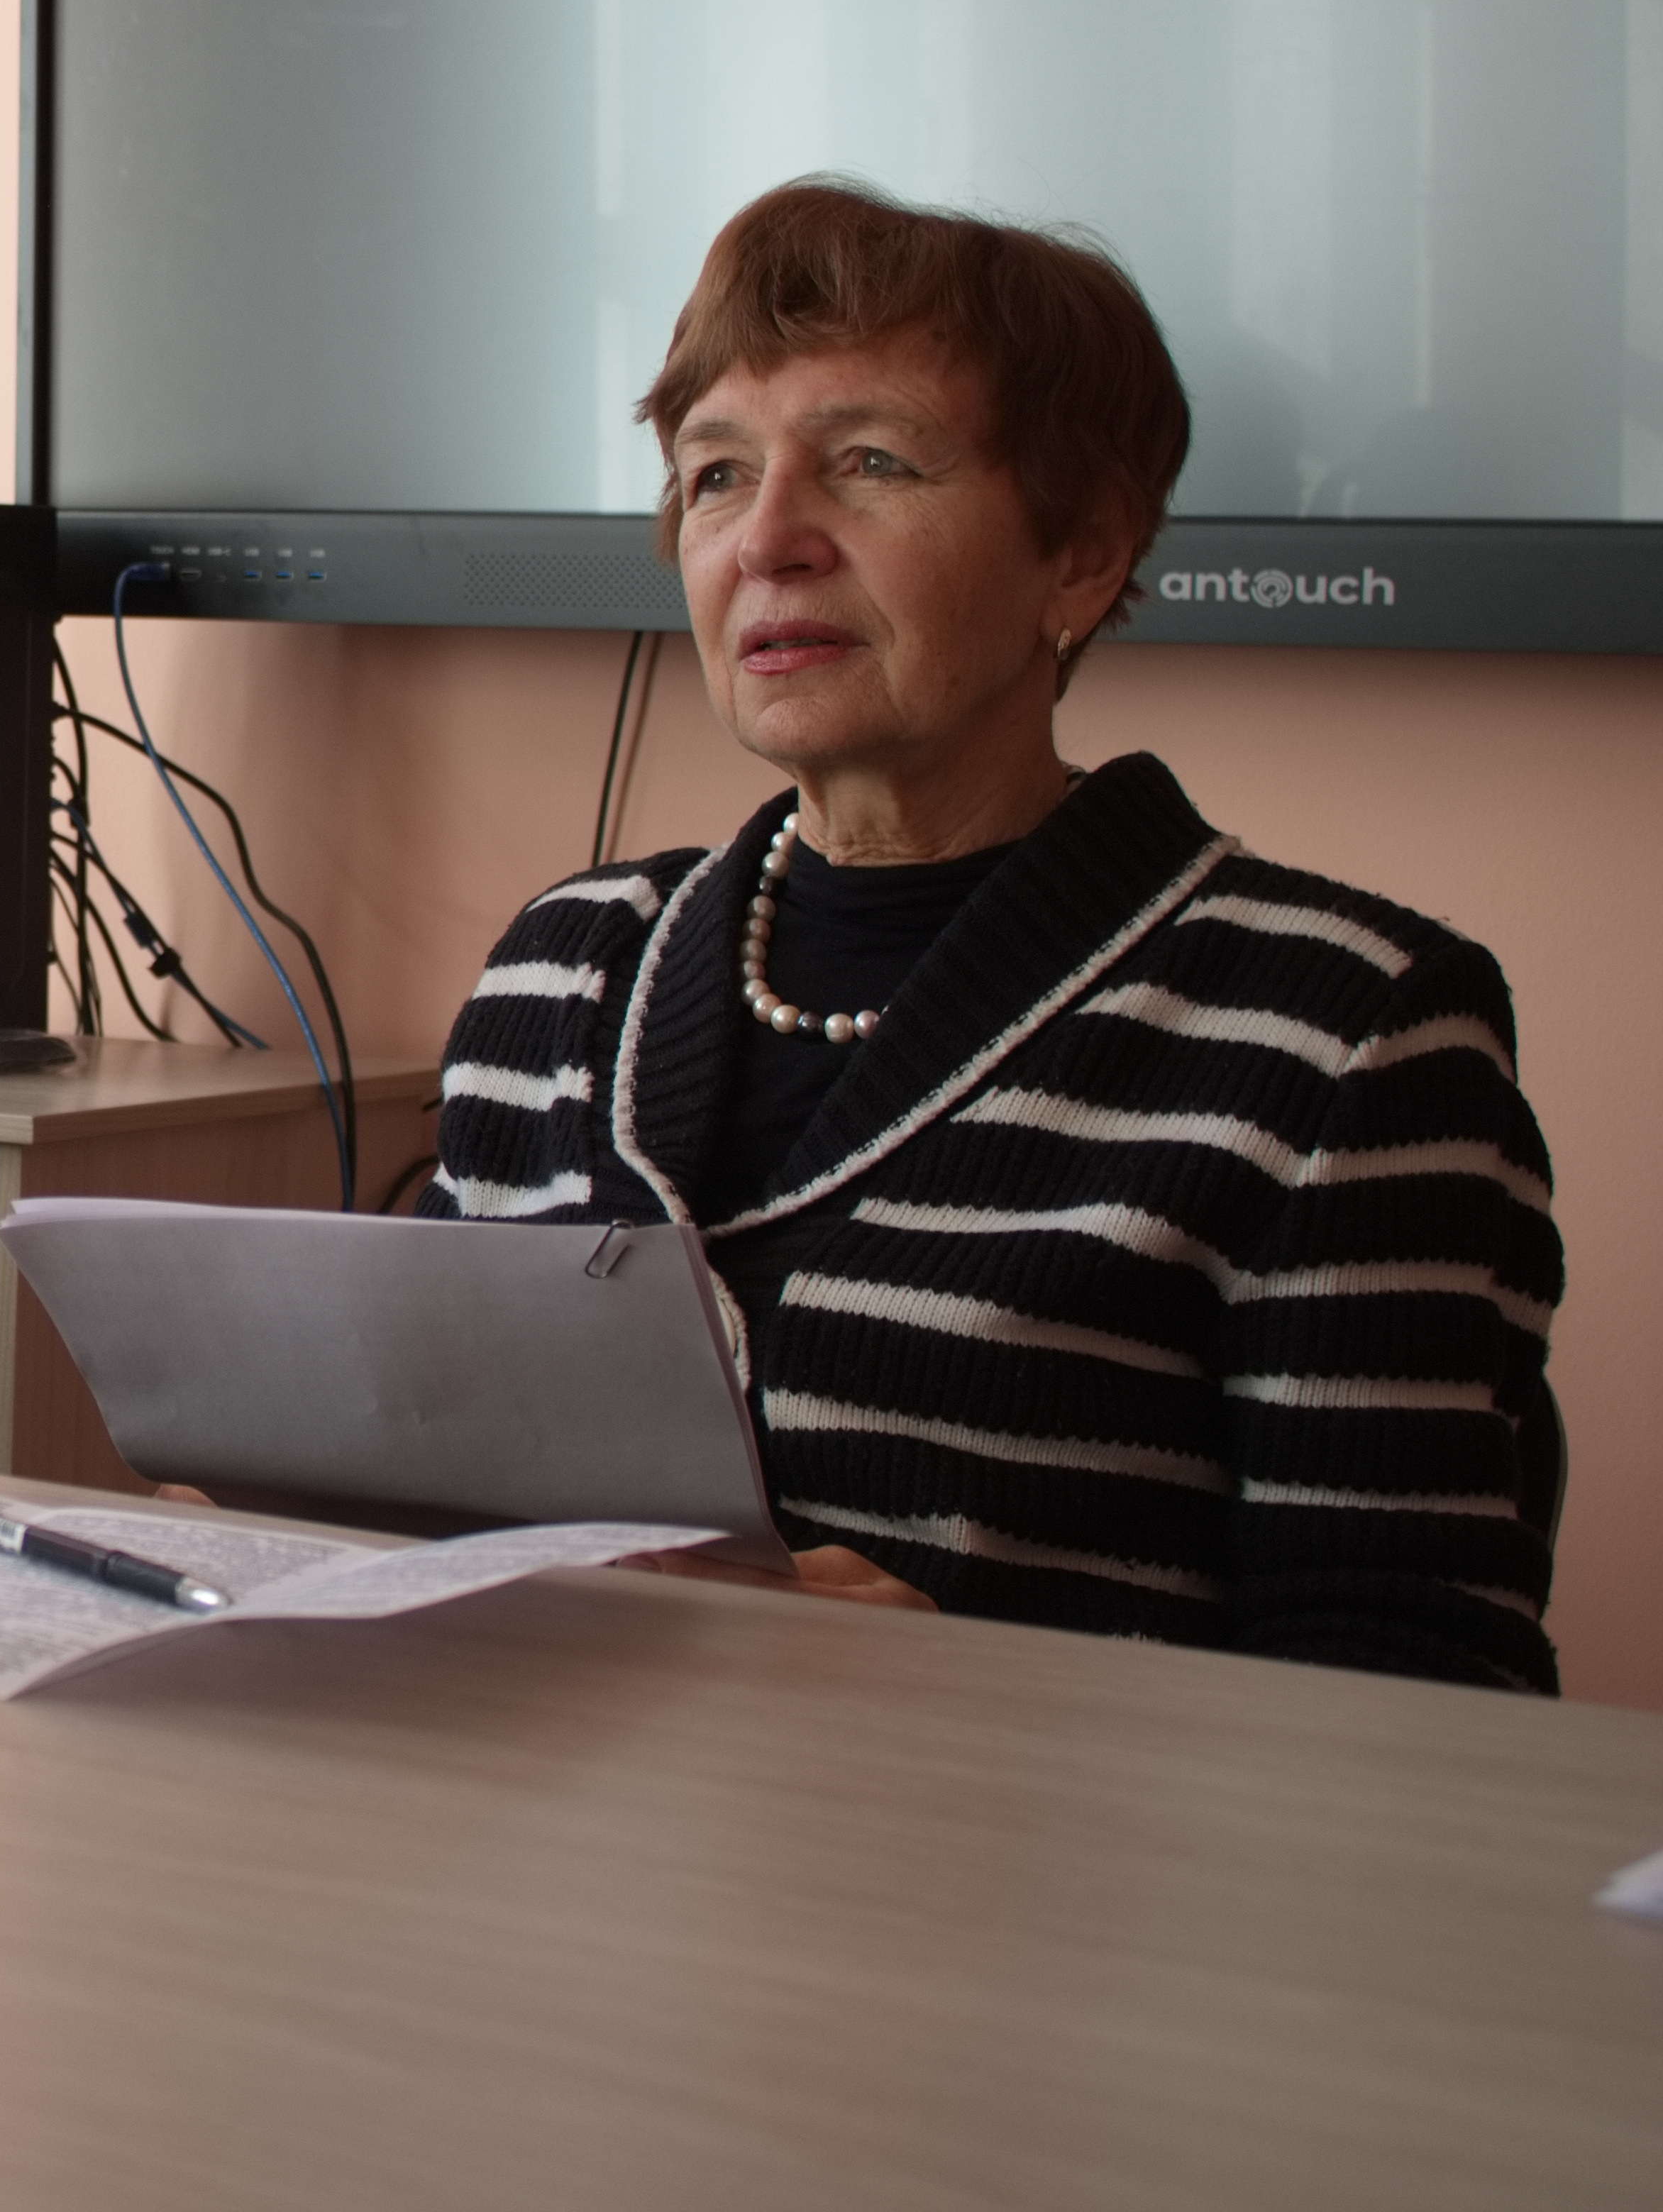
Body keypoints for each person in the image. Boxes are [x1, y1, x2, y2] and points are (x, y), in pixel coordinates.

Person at [423, 178, 1560, 1690]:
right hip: (520, 1817)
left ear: (1080, 553)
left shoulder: (1348, 1030)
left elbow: (1429, 1697)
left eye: (871, 462)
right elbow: (419, 1472)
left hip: (1012, 1847)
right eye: (715, 475)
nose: (768, 541)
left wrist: (979, 1691)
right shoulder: (561, 963)